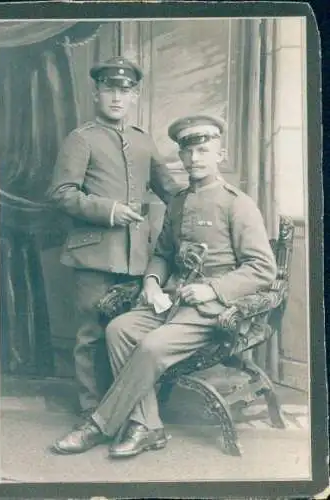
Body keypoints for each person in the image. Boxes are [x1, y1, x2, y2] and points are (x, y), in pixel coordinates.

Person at [52, 114, 277, 457]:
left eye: (203, 151)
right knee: (119, 329)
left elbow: (263, 269)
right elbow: (162, 253)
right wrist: (153, 283)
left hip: (211, 311)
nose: (194, 159)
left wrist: (213, 289)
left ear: (220, 154)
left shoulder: (237, 204)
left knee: (152, 347)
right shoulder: (180, 201)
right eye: (188, 153)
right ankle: (148, 426)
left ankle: (98, 425)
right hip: (172, 302)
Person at [48, 56, 178, 448]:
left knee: (128, 337)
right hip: (93, 256)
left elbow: (169, 189)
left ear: (135, 96)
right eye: (110, 89)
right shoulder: (82, 138)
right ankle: (91, 415)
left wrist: (198, 212)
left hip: (137, 258)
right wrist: (107, 210)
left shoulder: (142, 140)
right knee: (90, 336)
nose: (117, 97)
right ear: (96, 93)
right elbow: (60, 193)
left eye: (125, 90)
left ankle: (127, 415)